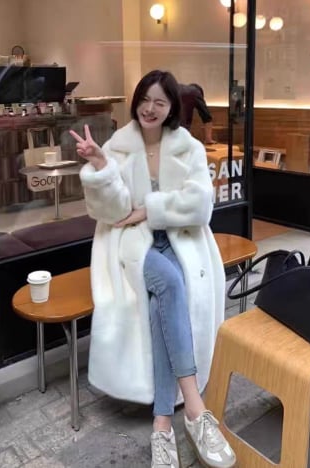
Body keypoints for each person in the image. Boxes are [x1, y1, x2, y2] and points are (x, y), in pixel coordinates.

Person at [70, 70, 235, 468]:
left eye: (160, 102)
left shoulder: (188, 147)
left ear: (171, 107)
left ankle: (162, 425)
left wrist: (150, 209)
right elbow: (112, 212)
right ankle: (195, 410)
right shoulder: (118, 145)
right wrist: (101, 165)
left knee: (164, 301)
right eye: (145, 99)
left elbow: (201, 205)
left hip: (180, 240)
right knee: (172, 285)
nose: (150, 108)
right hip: (131, 245)